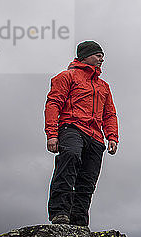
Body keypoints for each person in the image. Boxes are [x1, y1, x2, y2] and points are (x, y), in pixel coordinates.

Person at [44, 40, 118, 226]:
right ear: (85, 55)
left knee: (88, 179)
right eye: (98, 55)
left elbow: (109, 113)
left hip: (95, 137)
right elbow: (53, 104)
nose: (102, 58)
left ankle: (79, 221)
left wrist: (112, 136)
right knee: (70, 157)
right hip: (71, 128)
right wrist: (52, 134)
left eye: (102, 55)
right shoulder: (66, 77)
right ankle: (60, 212)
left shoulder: (104, 86)